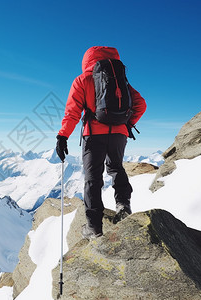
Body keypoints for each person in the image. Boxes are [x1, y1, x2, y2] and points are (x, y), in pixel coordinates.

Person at [56, 46, 146, 239]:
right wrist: (127, 124)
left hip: (93, 134)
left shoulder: (83, 80)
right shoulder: (121, 81)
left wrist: (62, 136)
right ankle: (123, 204)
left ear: (87, 60)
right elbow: (141, 104)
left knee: (93, 178)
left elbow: (72, 113)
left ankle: (94, 227)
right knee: (116, 168)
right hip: (119, 135)